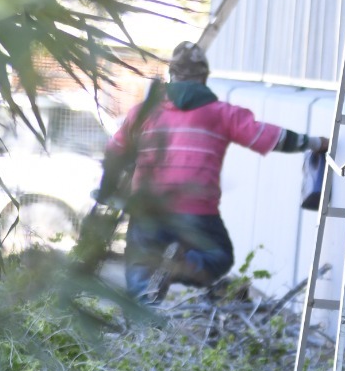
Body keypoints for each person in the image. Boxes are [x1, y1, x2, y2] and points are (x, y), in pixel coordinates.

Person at [105, 41, 327, 299]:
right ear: (204, 77)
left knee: (140, 273)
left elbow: (115, 151)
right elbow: (269, 136)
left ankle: (140, 328)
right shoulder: (222, 114)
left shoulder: (143, 113)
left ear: (171, 75)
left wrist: (107, 189)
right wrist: (315, 142)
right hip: (195, 211)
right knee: (218, 256)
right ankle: (182, 264)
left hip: (148, 207)